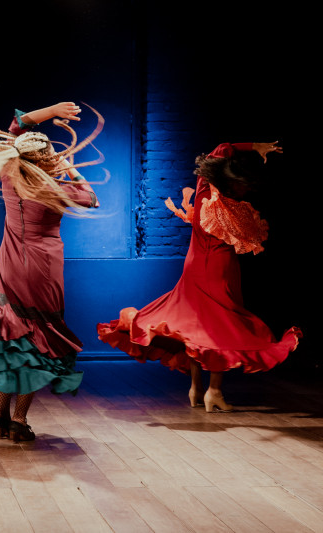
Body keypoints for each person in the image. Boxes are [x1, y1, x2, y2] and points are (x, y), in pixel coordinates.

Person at [0, 101, 102, 442]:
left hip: (10, 266)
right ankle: (19, 420)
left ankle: (0, 417)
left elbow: (16, 126)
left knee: (9, 339)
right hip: (42, 269)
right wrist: (70, 168)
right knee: (37, 343)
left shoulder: (10, 177)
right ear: (47, 161)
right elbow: (91, 197)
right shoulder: (53, 188)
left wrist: (50, 110)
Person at [97, 141, 302, 412]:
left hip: (195, 267)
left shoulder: (206, 194)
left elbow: (221, 150)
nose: (245, 190)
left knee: (196, 331)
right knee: (221, 328)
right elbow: (223, 148)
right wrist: (255, 146)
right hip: (218, 270)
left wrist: (253, 148)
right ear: (231, 183)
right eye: (241, 185)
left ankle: (196, 389)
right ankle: (214, 391)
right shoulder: (216, 199)